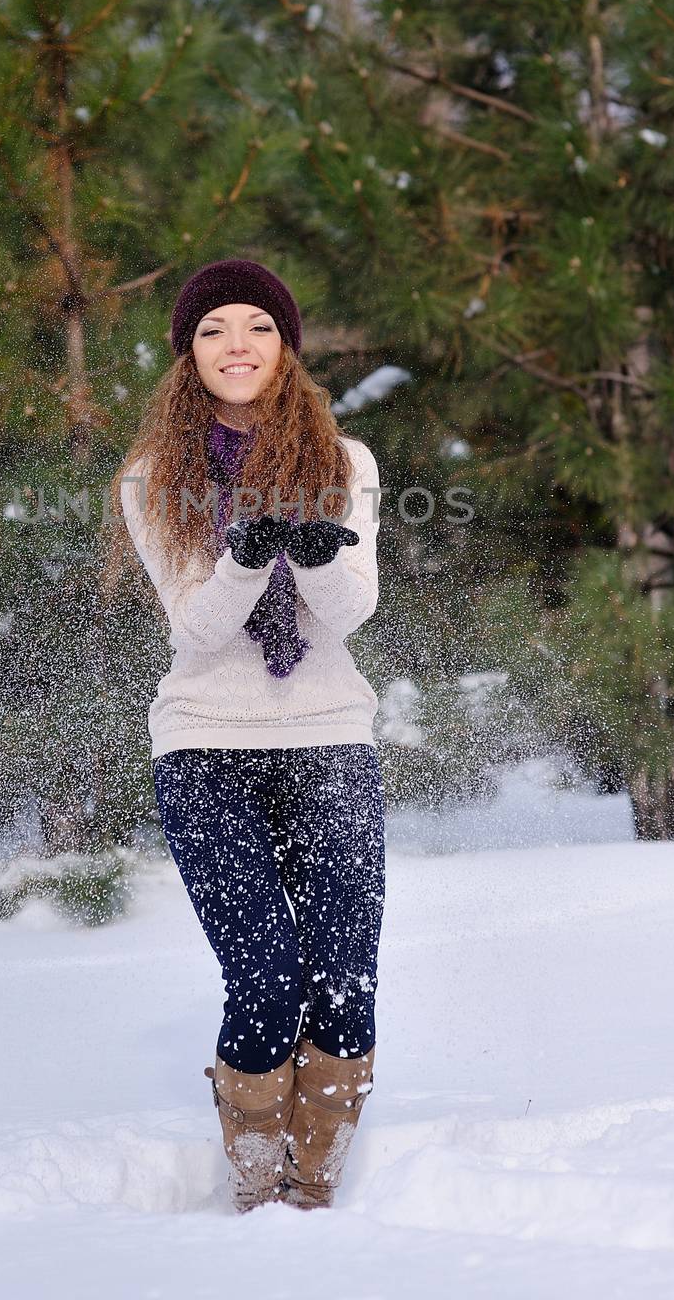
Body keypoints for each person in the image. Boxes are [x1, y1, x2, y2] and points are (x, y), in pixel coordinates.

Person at [108, 257, 385, 1214]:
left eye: (258, 327)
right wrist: (242, 556)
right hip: (204, 743)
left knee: (344, 979)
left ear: (286, 349)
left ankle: (316, 1191)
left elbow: (350, 614)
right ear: (189, 353)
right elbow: (195, 629)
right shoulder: (153, 479)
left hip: (327, 733)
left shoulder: (345, 464)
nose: (238, 344)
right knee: (265, 976)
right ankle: (258, 1190)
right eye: (215, 327)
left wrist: (307, 557)